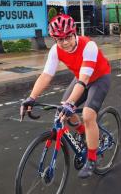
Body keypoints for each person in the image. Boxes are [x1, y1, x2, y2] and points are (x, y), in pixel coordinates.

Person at [20, 14, 111, 179]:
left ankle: (92, 159)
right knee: (63, 112)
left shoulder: (88, 46)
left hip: (99, 78)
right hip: (80, 78)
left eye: (68, 37)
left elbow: (83, 81)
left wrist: (70, 103)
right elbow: (46, 75)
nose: (65, 42)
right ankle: (84, 133)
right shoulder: (56, 50)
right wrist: (31, 98)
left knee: (88, 115)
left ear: (74, 33)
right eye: (59, 39)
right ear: (55, 40)